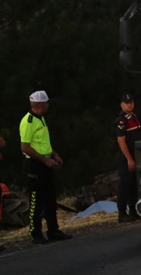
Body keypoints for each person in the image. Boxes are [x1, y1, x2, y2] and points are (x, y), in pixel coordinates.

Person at [20, 90, 72, 244]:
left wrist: (54, 154)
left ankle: (53, 230)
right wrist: (44, 160)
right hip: (34, 164)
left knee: (50, 197)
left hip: (46, 162)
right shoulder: (28, 121)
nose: (49, 105)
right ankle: (36, 233)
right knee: (36, 199)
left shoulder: (41, 119)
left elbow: (43, 143)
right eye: (47, 103)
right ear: (41, 104)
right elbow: (25, 147)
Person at [115, 93, 141, 223]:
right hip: (126, 156)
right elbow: (121, 141)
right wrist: (129, 159)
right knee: (125, 184)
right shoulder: (122, 120)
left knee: (133, 184)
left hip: (137, 155)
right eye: (126, 103)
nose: (129, 104)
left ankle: (133, 209)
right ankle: (122, 212)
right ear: (121, 104)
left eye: (131, 102)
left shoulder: (134, 117)